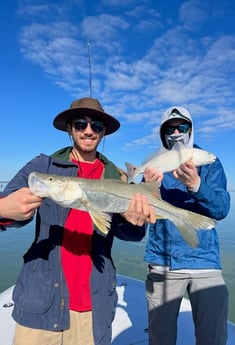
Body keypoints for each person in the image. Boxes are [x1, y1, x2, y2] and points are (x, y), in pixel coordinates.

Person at [0, 97, 155, 345]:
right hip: (41, 302)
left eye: (96, 126)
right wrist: (4, 208)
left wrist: (135, 222)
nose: (88, 131)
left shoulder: (116, 177)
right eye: (80, 124)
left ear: (104, 133)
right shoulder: (45, 166)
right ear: (69, 128)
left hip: (94, 307)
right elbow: (11, 210)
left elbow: (132, 234)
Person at [143, 106, 230, 345]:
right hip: (163, 261)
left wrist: (196, 184)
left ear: (191, 130)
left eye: (181, 127)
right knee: (160, 338)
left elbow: (222, 209)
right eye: (169, 128)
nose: (176, 132)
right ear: (162, 133)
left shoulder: (209, 161)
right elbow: (143, 214)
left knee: (213, 337)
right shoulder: (154, 164)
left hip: (205, 262)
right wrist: (147, 187)